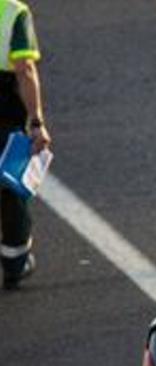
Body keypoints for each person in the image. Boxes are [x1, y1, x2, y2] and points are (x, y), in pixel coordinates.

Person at [0, 0, 48, 291]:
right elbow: (24, 68)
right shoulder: (13, 12)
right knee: (12, 186)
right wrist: (37, 122)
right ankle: (15, 262)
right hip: (5, 113)